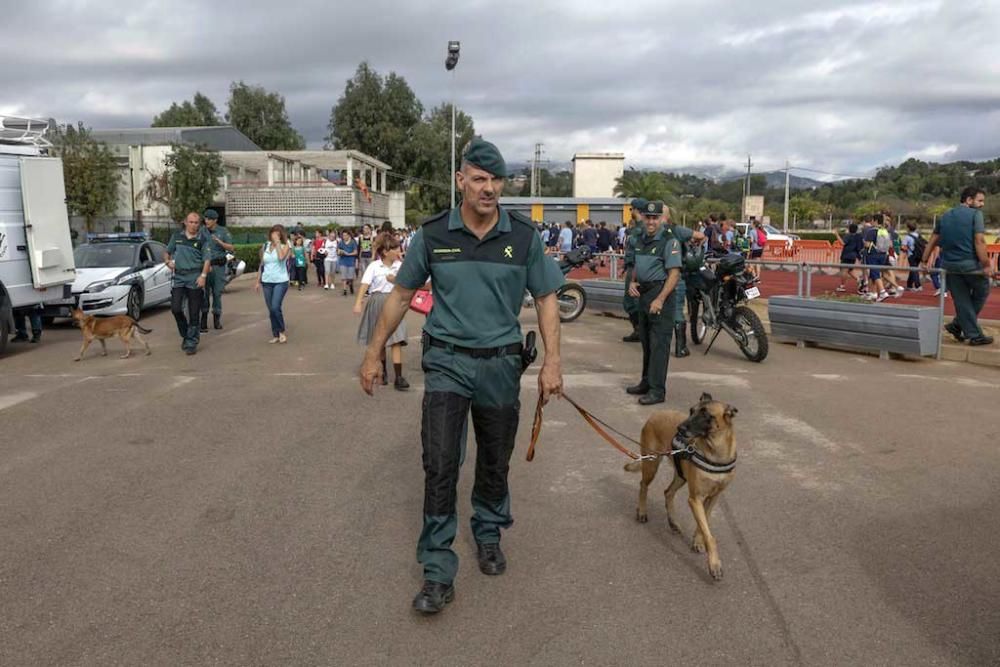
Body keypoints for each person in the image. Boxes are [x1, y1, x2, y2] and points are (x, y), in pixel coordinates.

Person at [358, 138, 564, 615]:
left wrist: (553, 361)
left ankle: (488, 533)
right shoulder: (433, 235)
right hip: (448, 363)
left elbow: (549, 297)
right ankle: (436, 569)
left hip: (500, 366)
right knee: (441, 463)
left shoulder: (523, 237)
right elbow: (400, 295)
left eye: (495, 180)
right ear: (461, 180)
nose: (488, 189)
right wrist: (372, 354)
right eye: (479, 179)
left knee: (494, 459)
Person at [624, 200, 682, 405]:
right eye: (647, 217)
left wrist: (659, 299)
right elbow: (637, 265)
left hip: (661, 295)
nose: (650, 222)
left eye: (654, 218)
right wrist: (633, 282)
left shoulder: (669, 241)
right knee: (647, 343)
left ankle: (658, 391)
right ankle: (646, 382)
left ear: (661, 219)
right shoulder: (640, 239)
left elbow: (674, 275)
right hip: (644, 294)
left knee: (659, 345)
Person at [921, 187, 994, 346]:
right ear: (968, 200)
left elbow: (933, 240)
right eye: (980, 200)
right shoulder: (976, 215)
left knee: (961, 300)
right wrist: (987, 265)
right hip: (970, 265)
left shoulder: (945, 216)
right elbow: (979, 240)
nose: (982, 205)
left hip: (949, 265)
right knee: (982, 289)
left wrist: (924, 260)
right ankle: (969, 332)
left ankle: (958, 326)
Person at [354, 233, 409, 390]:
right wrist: (358, 302)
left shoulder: (400, 266)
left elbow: (408, 283)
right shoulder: (374, 266)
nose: (399, 250)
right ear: (385, 251)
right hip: (377, 301)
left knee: (397, 339)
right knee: (381, 339)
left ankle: (399, 377)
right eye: (395, 248)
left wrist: (397, 277)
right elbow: (365, 284)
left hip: (395, 302)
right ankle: (383, 372)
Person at [164, 212, 212, 355]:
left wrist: (203, 276)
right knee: (176, 308)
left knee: (193, 312)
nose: (193, 225)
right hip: (179, 277)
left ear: (199, 224)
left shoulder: (203, 239)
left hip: (195, 277)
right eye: (191, 222)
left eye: (196, 223)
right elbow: (167, 252)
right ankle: (186, 334)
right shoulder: (177, 237)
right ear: (185, 222)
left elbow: (207, 260)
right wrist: (168, 262)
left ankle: (191, 342)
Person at [663, 208, 706, 358]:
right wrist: (696, 243)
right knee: (676, 309)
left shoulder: (648, 233)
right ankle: (680, 347)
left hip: (655, 276)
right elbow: (701, 235)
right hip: (674, 273)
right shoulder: (677, 230)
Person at [255, 225, 291, 344]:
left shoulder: (286, 245)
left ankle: (281, 331)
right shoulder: (265, 245)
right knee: (271, 309)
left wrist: (277, 244)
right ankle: (275, 334)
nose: (275, 236)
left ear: (281, 235)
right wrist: (257, 281)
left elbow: (281, 258)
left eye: (278, 234)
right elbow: (262, 264)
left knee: (276, 306)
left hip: (280, 281)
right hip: (267, 281)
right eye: (273, 233)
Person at [200, 208, 233, 331]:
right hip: (205, 266)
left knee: (217, 293)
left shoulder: (223, 231)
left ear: (215, 220)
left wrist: (220, 242)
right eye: (205, 218)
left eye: (209, 219)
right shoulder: (202, 231)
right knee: (204, 294)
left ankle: (216, 319)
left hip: (218, 267)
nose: (206, 221)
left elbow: (231, 248)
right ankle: (203, 320)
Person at [621, 198, 647, 343]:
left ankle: (641, 331)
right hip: (632, 266)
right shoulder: (636, 227)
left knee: (632, 301)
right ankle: (638, 330)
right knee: (630, 302)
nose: (631, 211)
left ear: (637, 210)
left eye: (632, 209)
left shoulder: (643, 228)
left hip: (638, 268)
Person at [834, 223, 865, 293]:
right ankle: (859, 280)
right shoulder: (858, 236)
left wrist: (837, 235)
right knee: (850, 270)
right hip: (854, 255)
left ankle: (842, 286)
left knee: (844, 271)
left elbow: (843, 243)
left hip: (847, 255)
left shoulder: (849, 236)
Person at [901, 221, 925, 291]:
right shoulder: (918, 235)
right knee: (913, 268)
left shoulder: (907, 237)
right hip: (919, 254)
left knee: (914, 270)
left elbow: (903, 247)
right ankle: (909, 284)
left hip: (911, 255)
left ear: (908, 228)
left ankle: (918, 285)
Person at [337, 230, 358, 296]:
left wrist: (348, 254)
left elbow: (355, 252)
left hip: (351, 261)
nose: (344, 237)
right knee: (344, 276)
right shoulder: (341, 242)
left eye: (345, 235)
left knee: (350, 277)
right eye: (343, 235)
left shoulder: (353, 242)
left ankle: (351, 284)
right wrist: (340, 252)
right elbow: (337, 250)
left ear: (349, 235)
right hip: (343, 261)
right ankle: (345, 290)